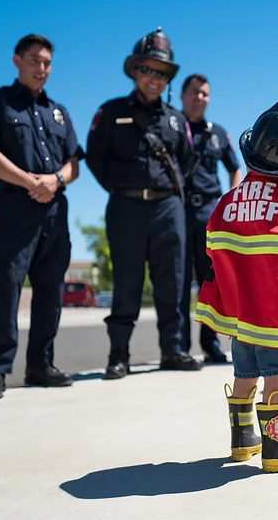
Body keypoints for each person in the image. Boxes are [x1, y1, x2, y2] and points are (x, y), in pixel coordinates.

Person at [195, 102, 278, 473]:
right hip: (276, 314)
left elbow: (212, 249)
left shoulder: (228, 201)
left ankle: (243, 441)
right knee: (276, 375)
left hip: (240, 316)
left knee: (243, 372)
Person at [0, 34, 84, 401]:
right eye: (34, 60)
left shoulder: (58, 111)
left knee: (51, 292)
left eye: (47, 62)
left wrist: (55, 180)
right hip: (14, 206)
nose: (42, 68)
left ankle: (40, 366)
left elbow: (74, 164)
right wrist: (30, 181)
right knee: (6, 287)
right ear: (17, 60)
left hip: (54, 209)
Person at [85, 27, 203, 379]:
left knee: (174, 282)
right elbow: (95, 158)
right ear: (135, 70)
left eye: (162, 72)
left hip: (168, 209)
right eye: (148, 69)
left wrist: (170, 191)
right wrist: (122, 187)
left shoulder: (176, 119)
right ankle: (118, 355)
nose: (154, 78)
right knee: (127, 282)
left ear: (168, 78)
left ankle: (174, 350)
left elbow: (189, 160)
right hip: (126, 208)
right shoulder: (110, 112)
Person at [178, 73, 243, 363]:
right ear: (182, 95)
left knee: (211, 282)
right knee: (177, 281)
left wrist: (231, 203)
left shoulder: (217, 131)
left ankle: (211, 344)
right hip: (177, 211)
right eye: (195, 92)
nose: (200, 98)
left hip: (209, 211)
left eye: (205, 94)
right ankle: (178, 346)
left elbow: (234, 168)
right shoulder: (171, 125)